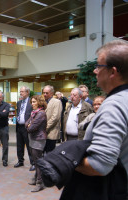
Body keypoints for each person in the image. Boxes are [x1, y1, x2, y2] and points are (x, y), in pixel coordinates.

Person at [61, 40, 128, 199]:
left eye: (99, 66)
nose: (95, 71)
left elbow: (99, 165)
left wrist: (66, 158)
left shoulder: (114, 105)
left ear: (112, 72)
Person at [26, 95, 47, 192]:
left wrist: (30, 125)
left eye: (34, 102)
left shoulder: (41, 113)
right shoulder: (34, 113)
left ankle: (40, 183)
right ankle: (36, 179)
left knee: (38, 161)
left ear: (39, 102)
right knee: (35, 160)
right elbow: (26, 124)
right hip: (33, 138)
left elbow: (30, 127)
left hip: (38, 139)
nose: (32, 104)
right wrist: (29, 124)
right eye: (32, 102)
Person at [14, 86, 33, 170]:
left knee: (29, 146)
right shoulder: (19, 103)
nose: (21, 93)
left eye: (22, 92)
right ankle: (20, 161)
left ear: (27, 92)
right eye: (20, 92)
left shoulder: (32, 102)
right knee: (19, 145)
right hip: (19, 127)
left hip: (27, 128)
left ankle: (33, 163)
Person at [42, 85, 62, 153]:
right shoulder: (43, 102)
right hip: (42, 133)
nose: (44, 94)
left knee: (49, 153)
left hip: (51, 132)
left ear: (52, 93)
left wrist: (45, 128)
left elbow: (55, 117)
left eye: (46, 93)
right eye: (44, 92)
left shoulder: (57, 102)